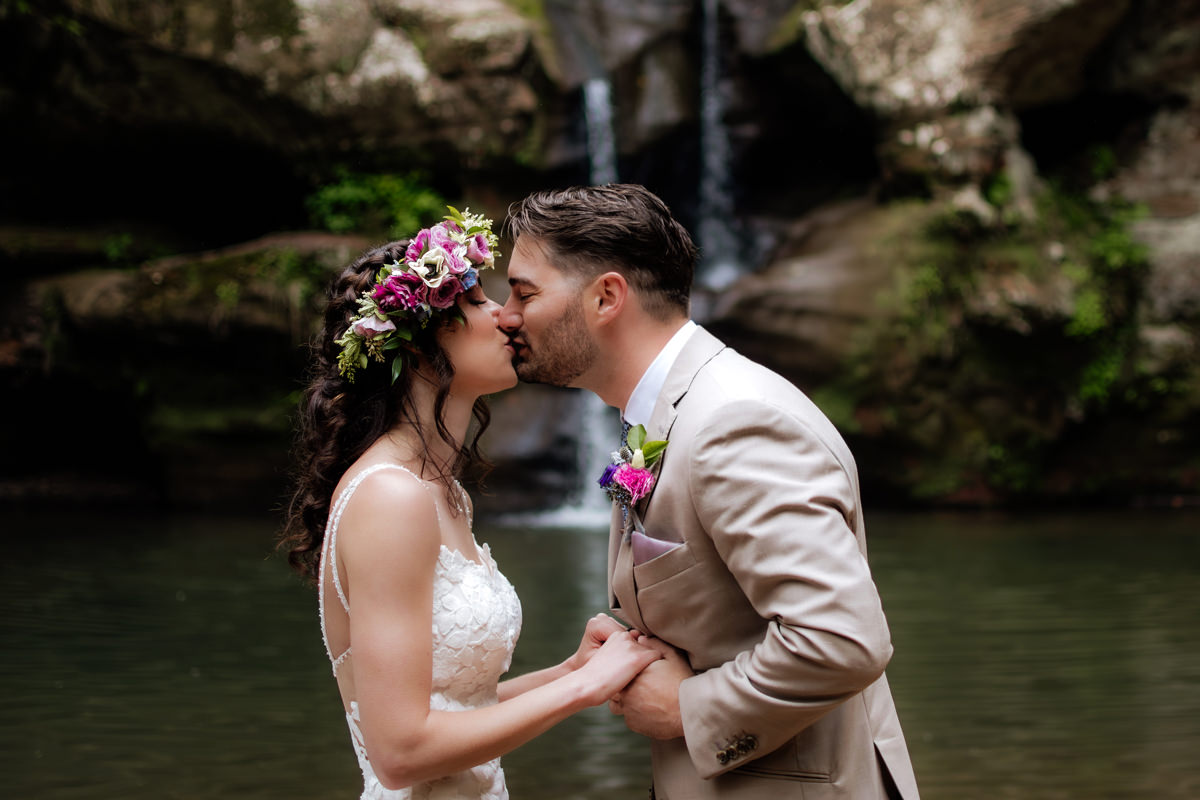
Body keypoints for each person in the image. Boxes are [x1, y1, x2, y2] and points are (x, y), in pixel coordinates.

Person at [498, 184, 920, 799]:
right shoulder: (670, 413)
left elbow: (841, 640)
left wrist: (689, 708)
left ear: (607, 297)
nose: (505, 314)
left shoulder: (734, 422)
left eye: (523, 292)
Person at [278, 207, 659, 800]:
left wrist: (568, 672)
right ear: (421, 341)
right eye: (479, 302)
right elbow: (401, 755)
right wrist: (581, 693)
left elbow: (453, 709)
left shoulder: (441, 491)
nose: (507, 316)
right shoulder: (390, 497)